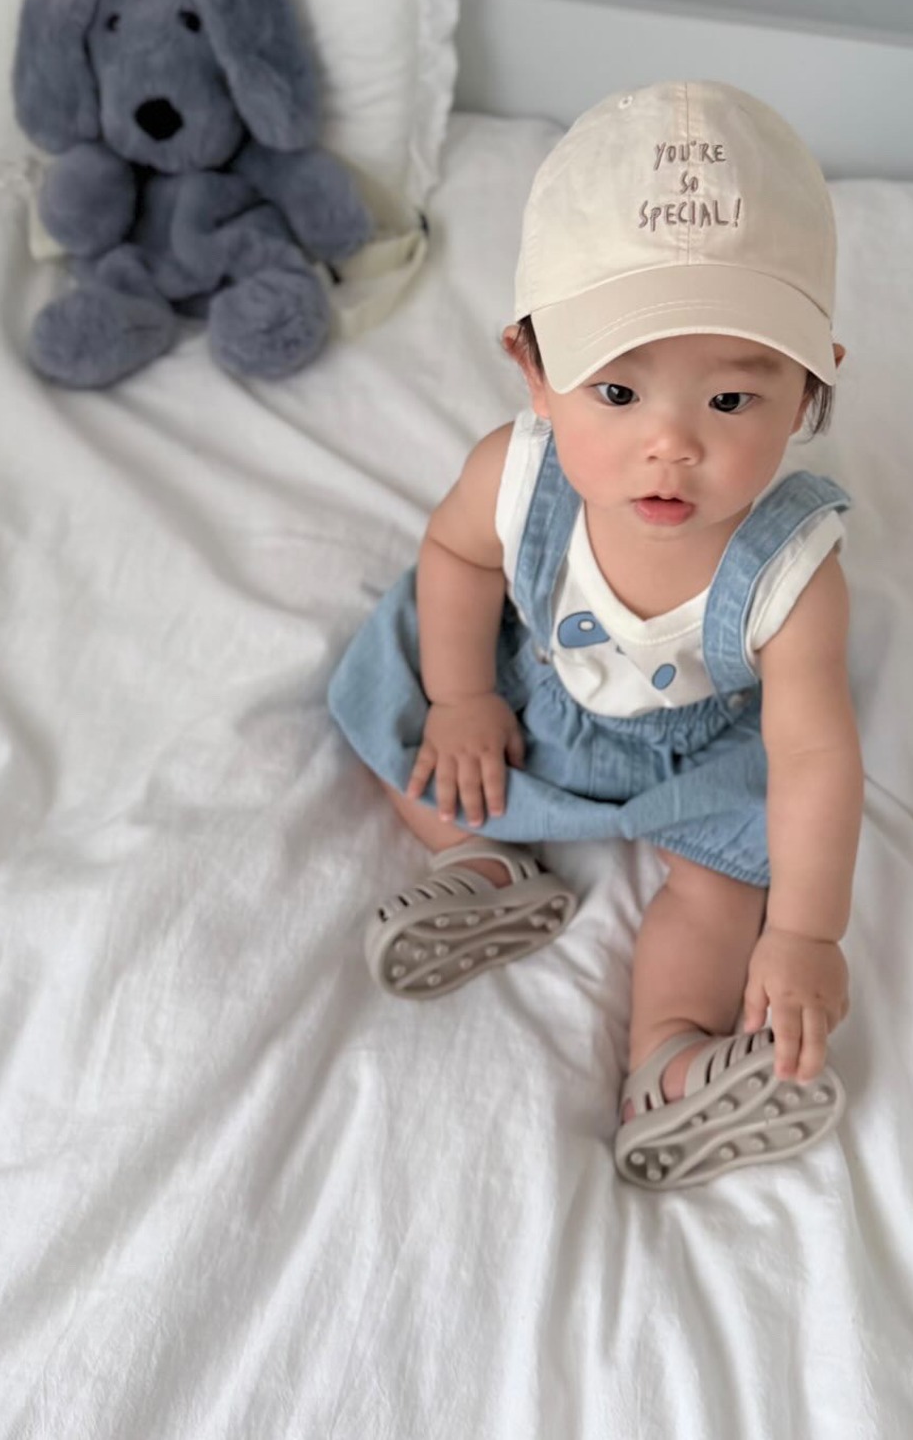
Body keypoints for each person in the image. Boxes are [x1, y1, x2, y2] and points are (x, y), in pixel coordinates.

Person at [329, 80, 864, 1190]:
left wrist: (807, 934)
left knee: (726, 890)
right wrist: (464, 697)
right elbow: (457, 559)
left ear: (810, 391)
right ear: (533, 371)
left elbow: (815, 754)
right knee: (397, 709)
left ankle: (668, 1058)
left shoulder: (792, 574)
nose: (670, 446)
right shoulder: (515, 474)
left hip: (702, 748)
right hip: (537, 695)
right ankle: (479, 865)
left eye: (730, 403)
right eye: (616, 392)